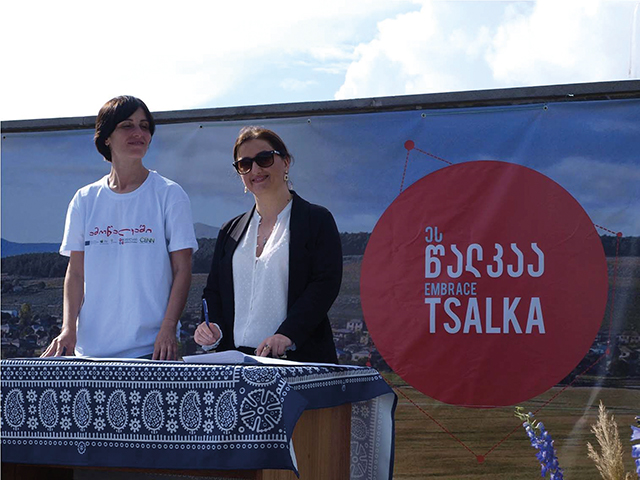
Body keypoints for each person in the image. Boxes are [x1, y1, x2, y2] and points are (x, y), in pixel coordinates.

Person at [41, 96, 198, 360]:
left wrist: (169, 327)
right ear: (106, 138)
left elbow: (182, 270)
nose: (139, 133)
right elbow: (76, 273)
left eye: (145, 126)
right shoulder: (85, 199)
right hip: (90, 353)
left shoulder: (170, 194)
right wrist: (68, 329)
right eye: (127, 125)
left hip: (152, 350)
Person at [194, 126, 342, 363]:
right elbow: (213, 292)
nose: (255, 169)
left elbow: (325, 284)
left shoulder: (317, 220)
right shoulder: (230, 231)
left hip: (297, 361)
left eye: (264, 159)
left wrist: (287, 334)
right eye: (245, 164)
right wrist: (213, 330)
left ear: (285, 162)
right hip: (238, 366)